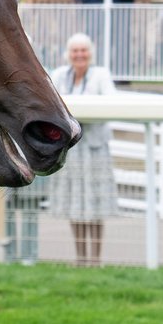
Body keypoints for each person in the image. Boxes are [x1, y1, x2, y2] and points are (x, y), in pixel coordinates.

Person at [47, 33, 118, 266]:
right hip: (71, 148)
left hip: (94, 148)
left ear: (90, 53)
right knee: (75, 204)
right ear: (69, 54)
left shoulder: (101, 75)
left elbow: (110, 103)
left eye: (83, 50)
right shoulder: (60, 75)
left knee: (95, 204)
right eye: (75, 51)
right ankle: (80, 257)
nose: (79, 55)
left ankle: (95, 259)